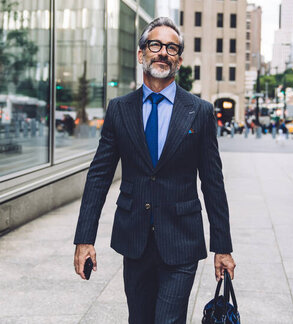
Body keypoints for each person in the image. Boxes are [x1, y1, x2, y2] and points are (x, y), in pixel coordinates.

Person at [73, 17, 235, 324]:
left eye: (171, 48)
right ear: (141, 53)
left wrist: (222, 247)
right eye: (155, 45)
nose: (163, 52)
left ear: (179, 59)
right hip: (134, 240)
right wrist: (85, 239)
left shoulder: (199, 111)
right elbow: (99, 176)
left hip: (182, 241)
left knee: (169, 320)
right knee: (140, 319)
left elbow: (213, 182)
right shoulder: (120, 109)